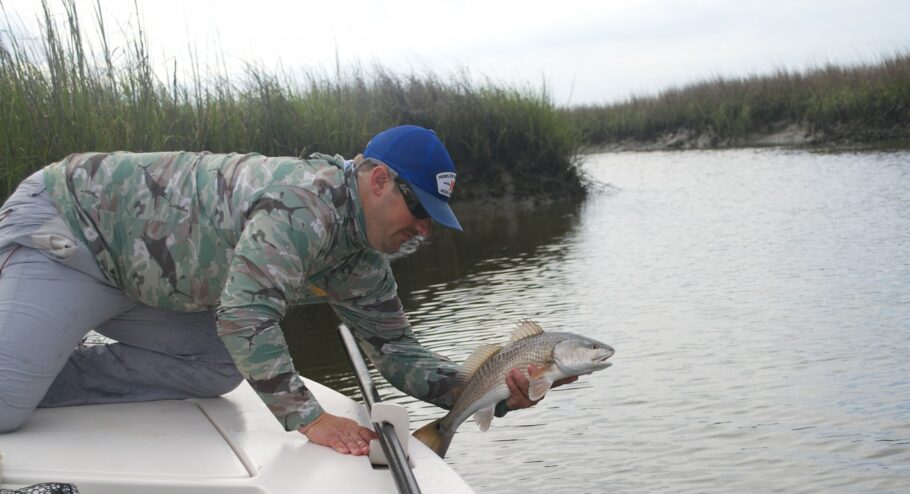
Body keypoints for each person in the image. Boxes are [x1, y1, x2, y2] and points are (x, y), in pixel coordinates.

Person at [0, 125, 571, 455]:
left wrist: (485, 389)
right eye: (420, 209)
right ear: (378, 181)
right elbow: (244, 320)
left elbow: (399, 353)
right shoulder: (305, 205)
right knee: (4, 409)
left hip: (147, 282)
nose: (423, 229)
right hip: (71, 232)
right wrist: (309, 418)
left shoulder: (363, 257)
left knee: (213, 370)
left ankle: (37, 365)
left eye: (434, 220)